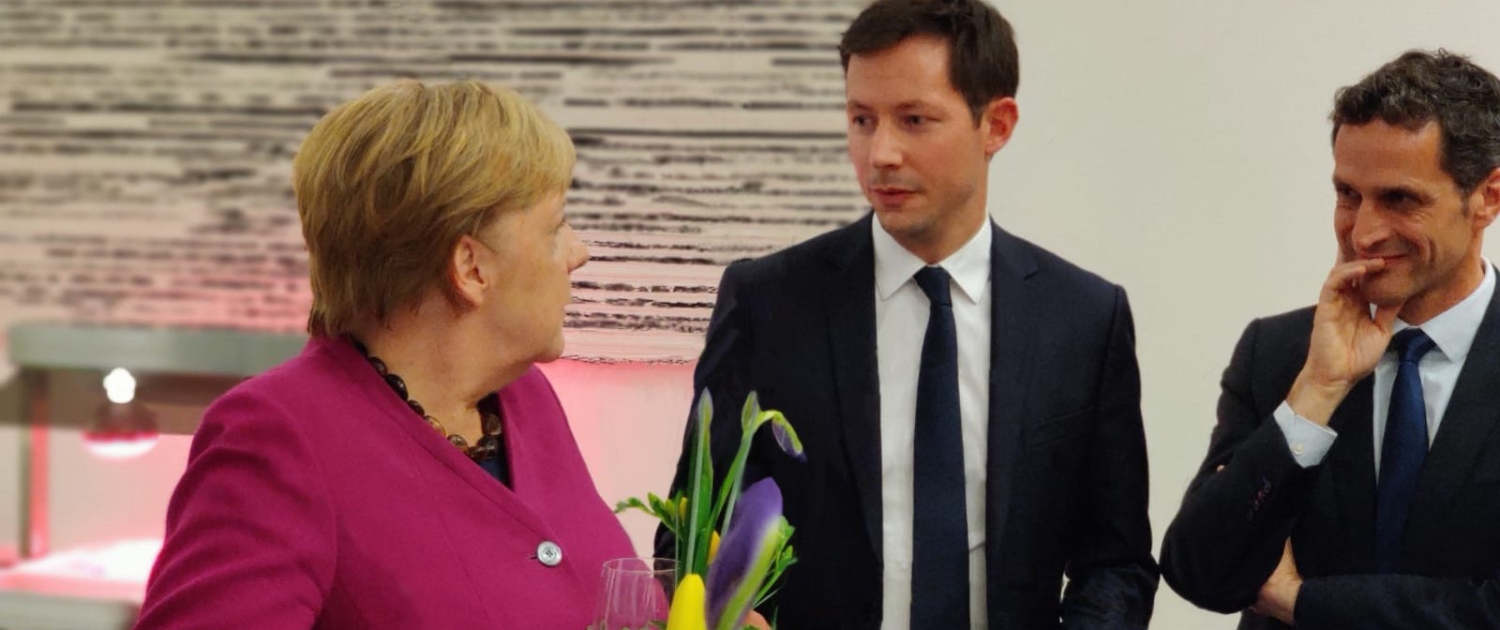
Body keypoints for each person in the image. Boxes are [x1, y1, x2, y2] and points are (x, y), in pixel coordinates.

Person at [659, 0, 1158, 628]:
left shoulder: (1083, 317)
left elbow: (1117, 563)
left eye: (914, 120)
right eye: (862, 119)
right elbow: (690, 531)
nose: (881, 154)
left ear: (996, 124)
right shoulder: (767, 302)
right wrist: (727, 613)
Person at [133, 80, 635, 629]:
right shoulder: (280, 434)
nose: (578, 252)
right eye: (555, 227)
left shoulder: (523, 396)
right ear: (470, 268)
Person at [1161, 50, 1500, 629]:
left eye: (1400, 199)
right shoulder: (1279, 354)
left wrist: (1301, 602)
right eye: (1348, 194)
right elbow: (1201, 572)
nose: (1364, 232)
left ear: (1487, 198)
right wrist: (1315, 394)